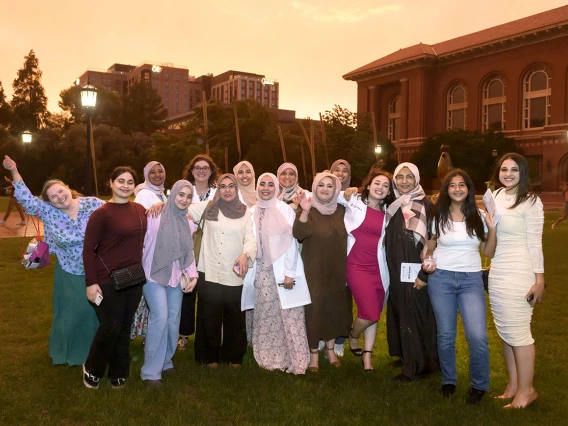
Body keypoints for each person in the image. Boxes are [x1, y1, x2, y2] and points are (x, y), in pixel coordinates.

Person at [2, 155, 104, 366]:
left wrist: (155, 207)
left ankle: (97, 351)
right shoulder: (48, 212)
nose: (59, 197)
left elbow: (120, 211)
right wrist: (14, 170)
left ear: (68, 187)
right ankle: (70, 351)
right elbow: (26, 199)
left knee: (96, 310)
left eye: (60, 191)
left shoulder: (92, 204)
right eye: (52, 196)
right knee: (75, 312)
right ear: (48, 201)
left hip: (97, 269)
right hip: (69, 271)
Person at [422, 169, 496, 404]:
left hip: (471, 280)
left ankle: (479, 385)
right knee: (445, 335)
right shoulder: (438, 214)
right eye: (452, 185)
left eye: (461, 184)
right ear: (446, 189)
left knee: (477, 336)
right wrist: (427, 257)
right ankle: (449, 380)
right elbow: (431, 243)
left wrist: (492, 228)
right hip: (441, 278)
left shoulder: (479, 215)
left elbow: (488, 251)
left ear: (468, 188)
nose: (457, 189)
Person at [82, 166, 147, 389]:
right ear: (111, 182)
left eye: (130, 182)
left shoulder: (139, 210)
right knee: (111, 325)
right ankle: (93, 368)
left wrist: (161, 205)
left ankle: (119, 371)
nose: (125, 185)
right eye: (120, 181)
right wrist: (91, 283)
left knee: (124, 326)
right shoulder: (101, 213)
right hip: (107, 279)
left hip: (134, 278)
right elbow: (89, 249)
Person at [488, 153, 545, 409]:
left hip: (520, 271)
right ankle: (513, 385)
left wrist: (539, 279)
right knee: (505, 330)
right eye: (503, 169)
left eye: (514, 169)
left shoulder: (531, 201)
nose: (508, 173)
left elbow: (535, 242)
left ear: (522, 172)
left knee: (518, 332)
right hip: (498, 268)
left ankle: (527, 391)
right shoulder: (496, 196)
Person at [242, 173, 310, 374]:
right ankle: (270, 356)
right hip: (261, 270)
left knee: (290, 314)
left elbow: (291, 244)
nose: (265, 188)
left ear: (276, 187)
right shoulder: (252, 211)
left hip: (282, 269)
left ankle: (296, 358)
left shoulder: (284, 209)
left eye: (270, 184)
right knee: (267, 315)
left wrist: (289, 273)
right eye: (261, 184)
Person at [188, 174, 256, 367]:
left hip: (233, 272)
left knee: (235, 317)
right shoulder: (209, 206)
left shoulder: (246, 213)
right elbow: (183, 209)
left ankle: (234, 356)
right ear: (219, 189)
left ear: (236, 189)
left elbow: (251, 239)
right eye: (223, 186)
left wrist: (245, 254)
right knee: (208, 316)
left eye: (231, 186)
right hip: (209, 270)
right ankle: (209, 356)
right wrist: (161, 206)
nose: (227, 190)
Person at [141, 180, 198, 387]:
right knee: (161, 317)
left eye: (188, 196)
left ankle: (166, 360)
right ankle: (150, 372)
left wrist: (192, 275)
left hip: (176, 276)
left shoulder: (188, 221)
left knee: (174, 319)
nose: (184, 199)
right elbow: (143, 243)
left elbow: (188, 251)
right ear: (172, 194)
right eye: (180, 194)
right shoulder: (154, 216)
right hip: (153, 274)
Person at [384, 162, 438, 381]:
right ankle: (405, 354)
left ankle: (415, 365)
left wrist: (424, 273)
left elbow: (434, 240)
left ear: (417, 179)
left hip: (416, 269)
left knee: (415, 312)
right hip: (395, 267)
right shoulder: (393, 204)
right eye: (400, 177)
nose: (404, 181)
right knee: (399, 308)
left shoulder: (427, 205)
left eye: (409, 177)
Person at [293, 173, 351, 372]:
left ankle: (330, 349)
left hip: (337, 269)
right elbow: (299, 234)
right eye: (321, 185)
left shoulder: (343, 211)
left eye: (330, 186)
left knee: (334, 308)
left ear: (336, 190)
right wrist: (305, 211)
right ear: (315, 187)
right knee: (315, 310)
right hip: (314, 270)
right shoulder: (309, 210)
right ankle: (313, 354)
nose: (325, 189)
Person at [340, 169, 392, 372]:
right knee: (369, 313)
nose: (380, 187)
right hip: (356, 265)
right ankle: (353, 335)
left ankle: (368, 356)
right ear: (369, 185)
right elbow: (326, 192)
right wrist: (346, 188)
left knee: (375, 312)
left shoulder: (389, 212)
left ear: (388, 192)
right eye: (377, 183)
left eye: (386, 185)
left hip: (378, 268)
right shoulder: (353, 200)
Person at [178, 154, 219, 350]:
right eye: (197, 167)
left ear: (211, 171)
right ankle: (183, 335)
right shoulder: (184, 190)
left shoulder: (218, 191)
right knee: (187, 292)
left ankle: (207, 336)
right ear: (192, 170)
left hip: (213, 247)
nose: (201, 171)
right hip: (188, 247)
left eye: (205, 168)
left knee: (208, 295)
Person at [131, 161, 168, 340]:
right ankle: (152, 339)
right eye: (152, 172)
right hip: (149, 255)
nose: (157, 175)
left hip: (161, 255)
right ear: (146, 176)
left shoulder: (161, 195)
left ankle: (150, 337)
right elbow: (140, 223)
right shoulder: (145, 194)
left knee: (154, 305)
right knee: (155, 304)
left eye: (160, 171)